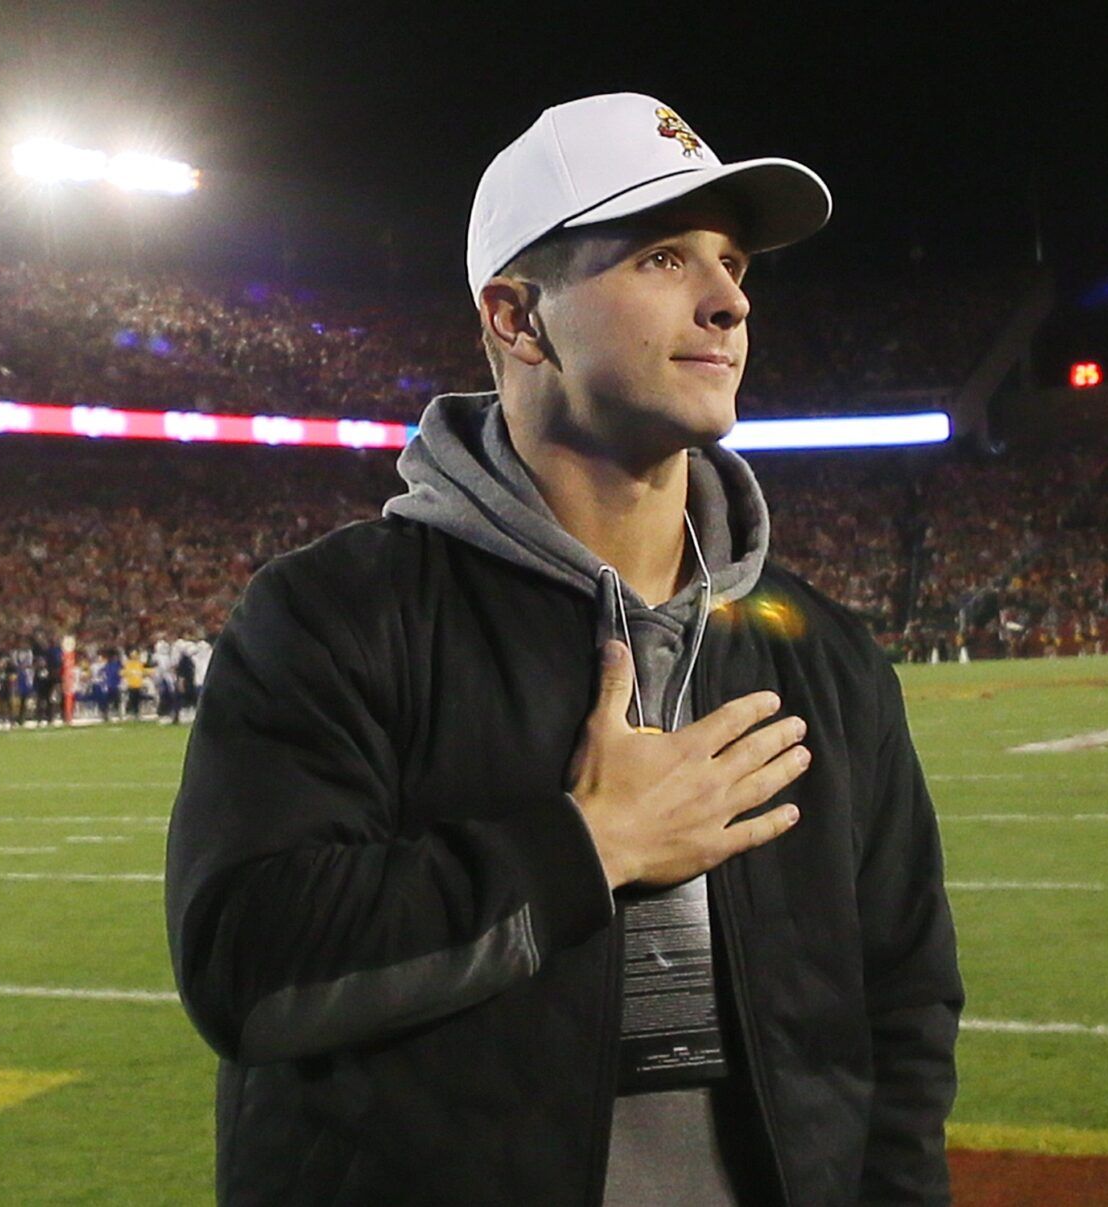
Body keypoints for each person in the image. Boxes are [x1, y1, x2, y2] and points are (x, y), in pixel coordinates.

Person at [165, 93, 962, 1205]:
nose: (730, 301)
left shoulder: (821, 652)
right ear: (517, 317)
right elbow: (246, 968)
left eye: (735, 264)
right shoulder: (337, 615)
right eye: (664, 257)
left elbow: (902, 1010)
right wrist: (585, 847)